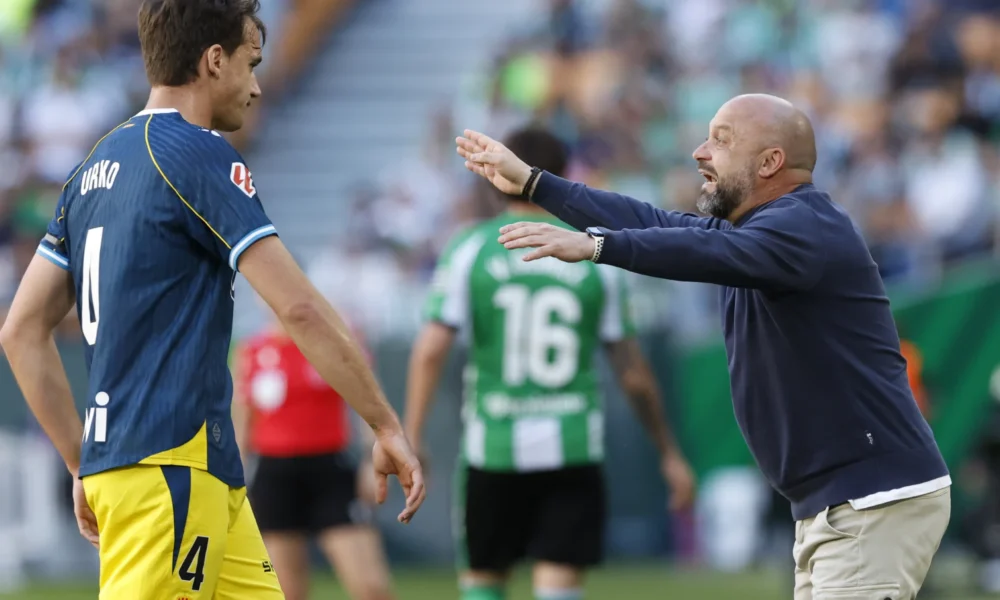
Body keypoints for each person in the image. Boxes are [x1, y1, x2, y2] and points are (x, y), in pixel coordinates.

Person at [0, 1, 425, 598]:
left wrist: (82, 461)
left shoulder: (91, 167)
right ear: (214, 59)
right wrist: (384, 422)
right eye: (251, 64)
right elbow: (297, 306)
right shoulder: (196, 154)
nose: (255, 87)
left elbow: (20, 330)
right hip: (170, 470)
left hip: (194, 475)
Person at [456, 94, 952, 600]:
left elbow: (701, 249)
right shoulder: (761, 229)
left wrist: (599, 246)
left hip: (871, 500)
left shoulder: (804, 226)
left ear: (770, 162)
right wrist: (535, 183)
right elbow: (651, 221)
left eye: (721, 139)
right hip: (840, 502)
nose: (699, 152)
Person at [406, 126, 695, 600]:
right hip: (571, 445)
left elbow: (432, 348)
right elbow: (635, 375)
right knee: (559, 585)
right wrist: (667, 451)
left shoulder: (470, 249)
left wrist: (413, 437)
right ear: (564, 175)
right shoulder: (592, 251)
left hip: (492, 447)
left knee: (484, 582)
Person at [232, 311, 395, 600]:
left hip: (330, 469)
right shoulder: (252, 350)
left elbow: (367, 403)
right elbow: (242, 421)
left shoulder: (334, 341)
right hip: (274, 474)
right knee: (286, 592)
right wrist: (237, 481)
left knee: (371, 588)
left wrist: (372, 461)